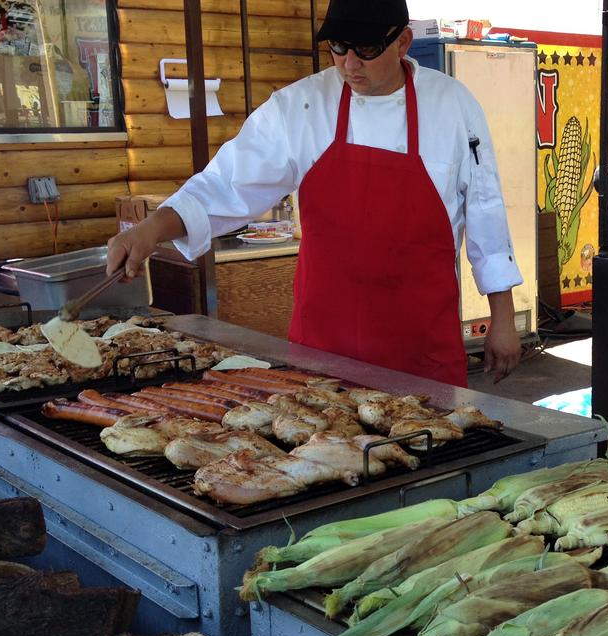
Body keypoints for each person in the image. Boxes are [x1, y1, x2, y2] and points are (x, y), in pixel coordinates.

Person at [106, 0, 523, 386]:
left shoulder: (453, 106)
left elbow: (485, 211)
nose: (349, 64)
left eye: (366, 49)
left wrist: (502, 318)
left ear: (402, 42)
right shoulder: (301, 107)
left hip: (421, 351)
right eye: (338, 48)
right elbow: (226, 184)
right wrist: (152, 228)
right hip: (323, 354)